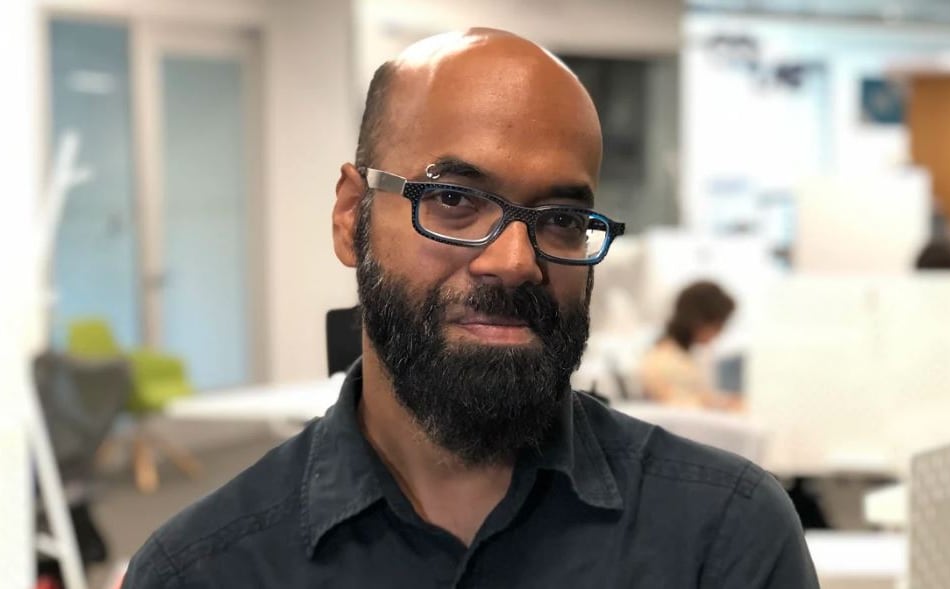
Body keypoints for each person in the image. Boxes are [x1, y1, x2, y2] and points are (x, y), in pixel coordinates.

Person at [122, 29, 818, 588]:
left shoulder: (721, 536)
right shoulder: (204, 569)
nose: (516, 260)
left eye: (563, 218)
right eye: (453, 201)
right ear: (351, 216)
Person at [639, 281, 740, 410]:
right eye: (718, 325)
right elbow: (673, 408)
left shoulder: (680, 356)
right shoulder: (660, 360)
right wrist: (716, 404)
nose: (719, 333)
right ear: (699, 320)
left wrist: (720, 401)